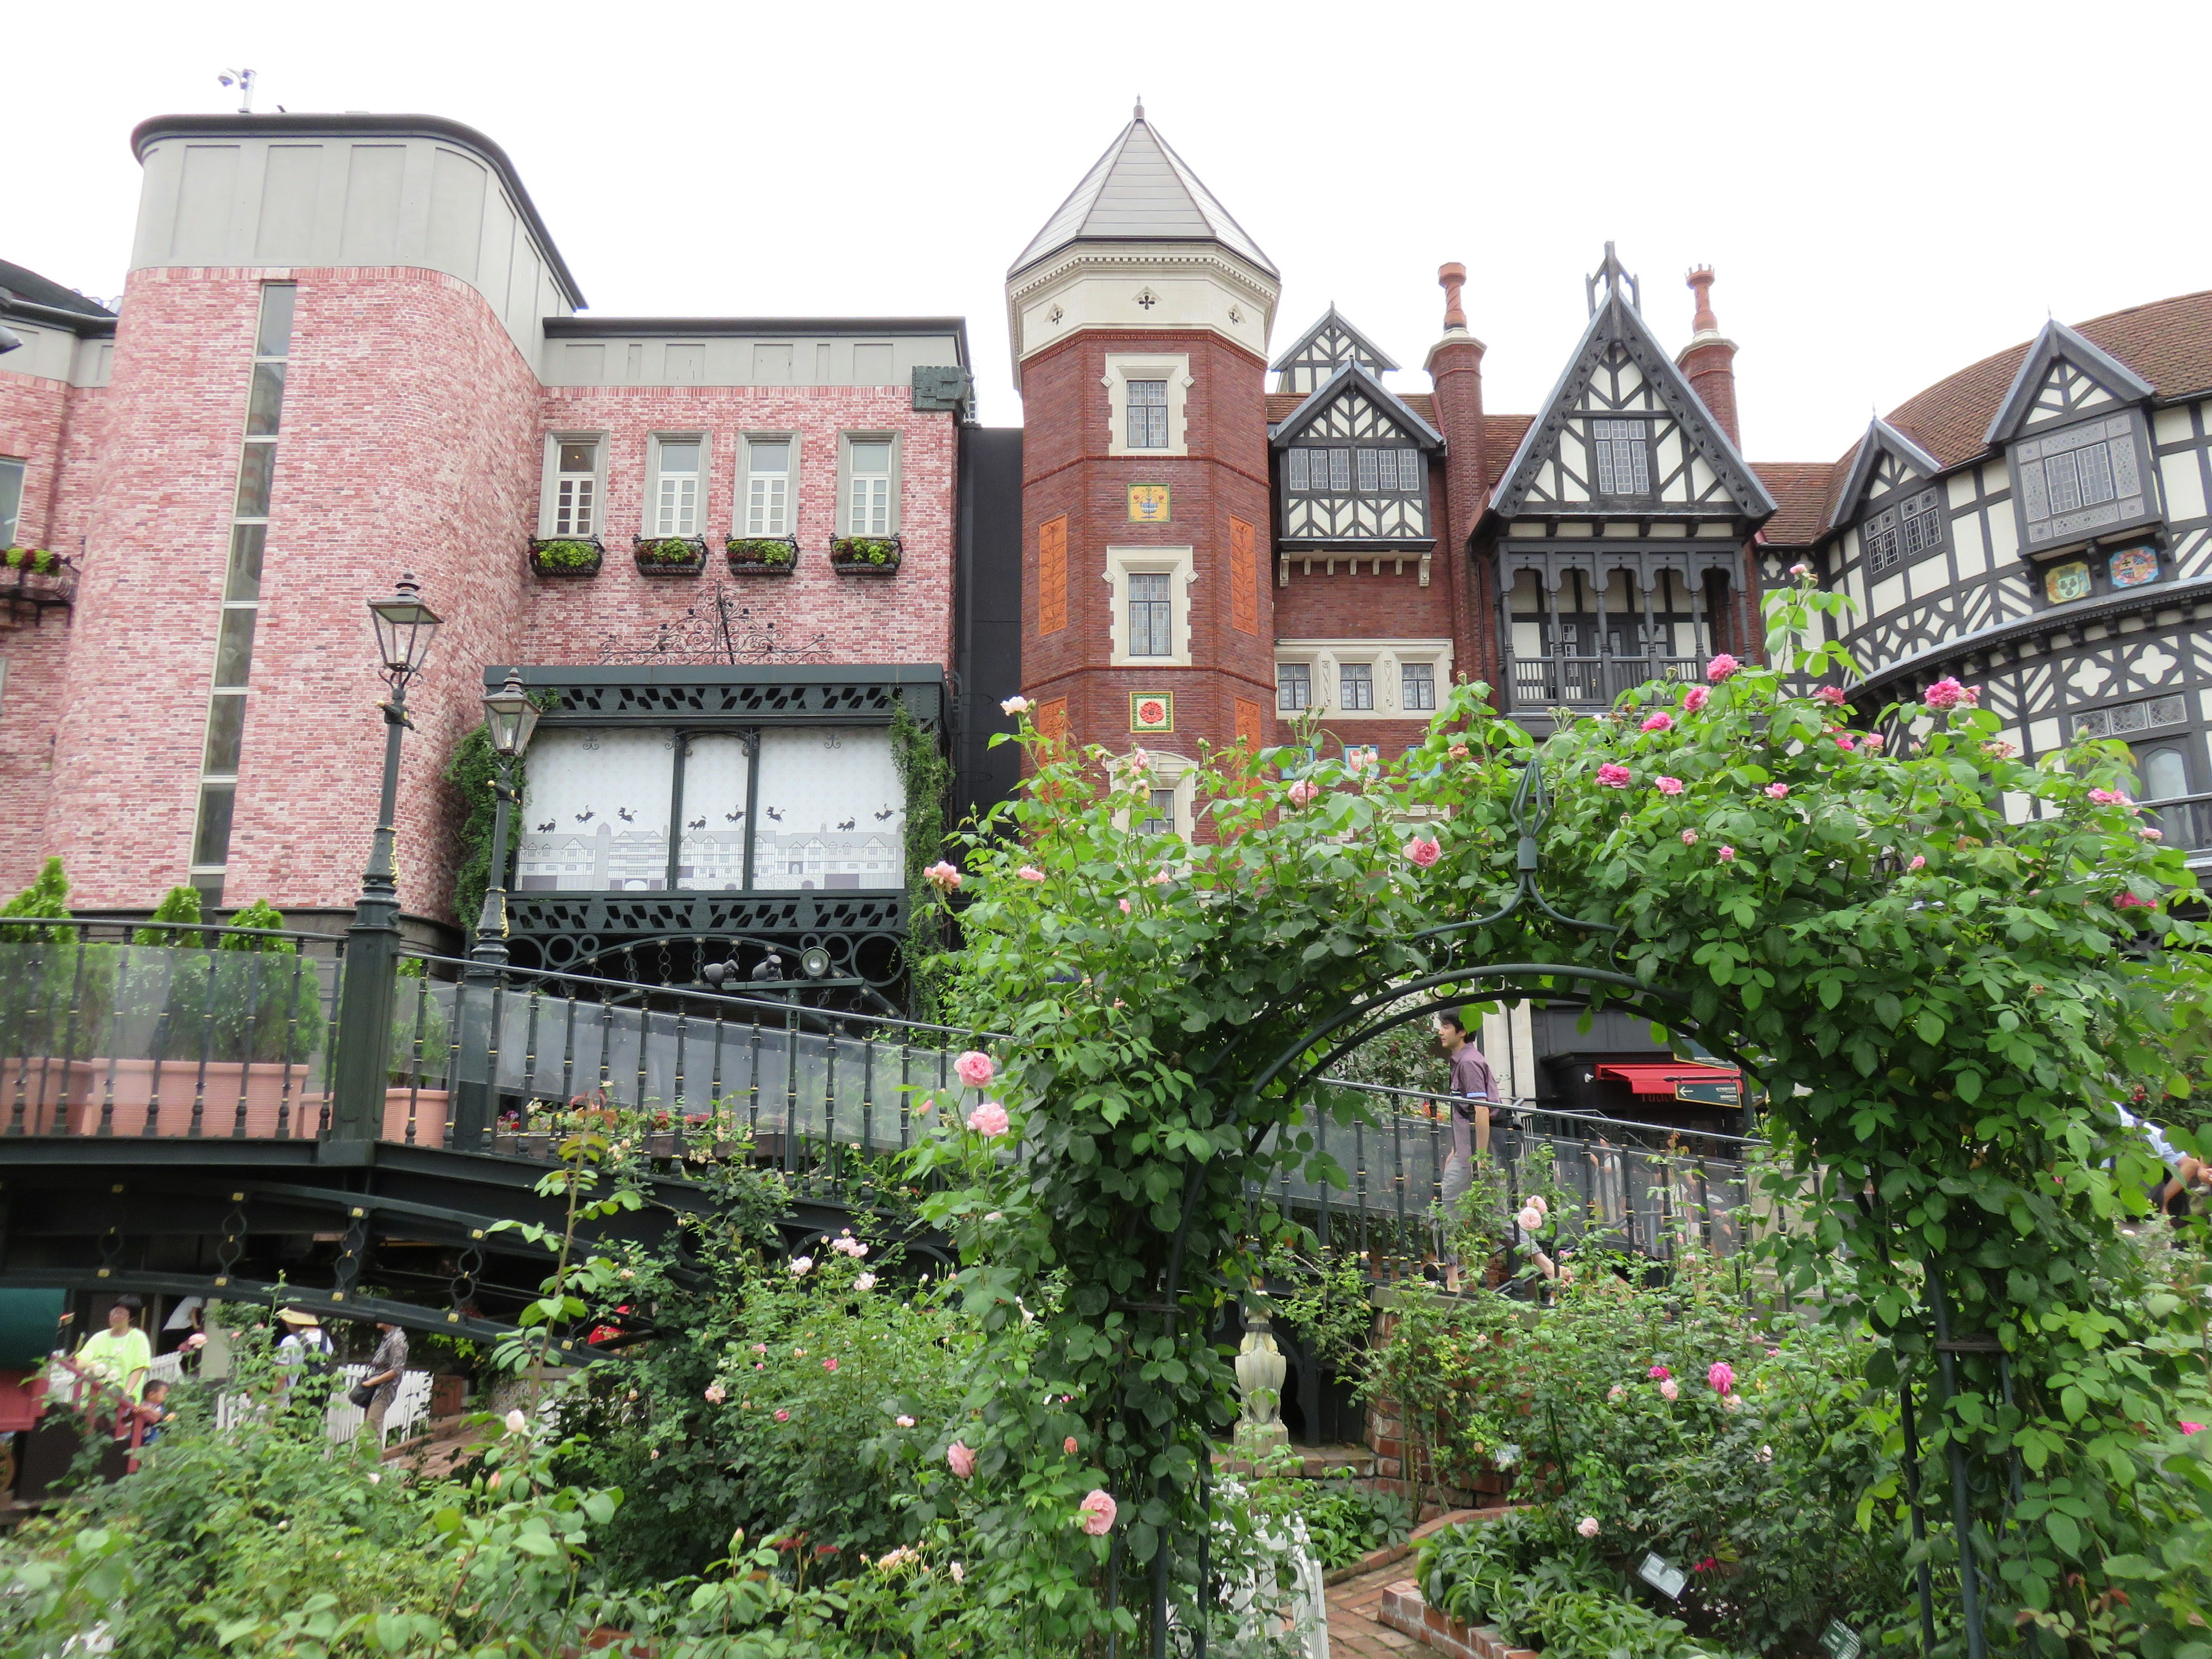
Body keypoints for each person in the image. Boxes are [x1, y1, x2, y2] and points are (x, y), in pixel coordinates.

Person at [1436, 1012, 1500, 1291]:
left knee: (1443, 1213)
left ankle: (1452, 1281)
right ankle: (1548, 1268)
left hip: (1474, 1157)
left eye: (1446, 1026)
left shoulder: (1469, 1063)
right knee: (1500, 1219)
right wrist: (1455, 1147)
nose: (1440, 1031)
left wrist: (1479, 1159)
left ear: (1462, 1032)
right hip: (1469, 1153)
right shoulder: (1463, 1061)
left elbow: (1482, 1111)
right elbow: (1465, 1113)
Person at [73, 1297, 153, 1403]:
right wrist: (90, 1365)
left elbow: (139, 1368)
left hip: (121, 1401)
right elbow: (81, 1362)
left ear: (131, 1318)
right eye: (114, 1312)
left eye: (121, 1314)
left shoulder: (138, 1338)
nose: (115, 1316)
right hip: (94, 1400)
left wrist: (127, 1394)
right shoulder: (98, 1337)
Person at [358, 1320, 408, 1449]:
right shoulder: (388, 1338)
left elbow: (396, 1370)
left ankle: (371, 1468)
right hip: (376, 1389)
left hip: (384, 1390)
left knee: (372, 1429)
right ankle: (368, 1466)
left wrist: (372, 1382)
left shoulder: (396, 1340)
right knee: (369, 1428)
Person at [274, 1308, 334, 1401]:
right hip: (318, 1398)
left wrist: (273, 1401)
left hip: (292, 1400)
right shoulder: (326, 1339)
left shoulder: (290, 1341)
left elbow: (282, 1377)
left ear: (293, 1322)